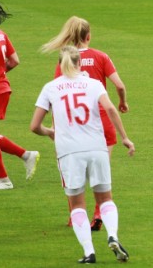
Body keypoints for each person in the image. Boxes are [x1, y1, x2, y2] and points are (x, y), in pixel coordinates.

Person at [30, 46, 134, 264]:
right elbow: (112, 110)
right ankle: (112, 235)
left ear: (60, 65)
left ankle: (89, 252)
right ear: (79, 63)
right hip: (97, 148)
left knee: (77, 204)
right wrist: (124, 137)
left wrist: (50, 132)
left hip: (69, 153)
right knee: (105, 198)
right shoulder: (94, 84)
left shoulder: (50, 88)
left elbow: (34, 126)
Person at [40, 16, 129, 230]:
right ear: (89, 36)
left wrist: (55, 127)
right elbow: (119, 85)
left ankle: (75, 216)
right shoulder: (101, 56)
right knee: (101, 174)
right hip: (103, 123)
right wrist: (122, 103)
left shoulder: (66, 60)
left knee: (73, 175)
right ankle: (99, 214)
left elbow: (56, 94)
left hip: (75, 126)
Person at [0, 2, 40, 191]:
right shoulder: (0, 33)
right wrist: (0, 74)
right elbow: (14, 60)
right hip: (2, 88)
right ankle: (26, 155)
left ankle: (4, 180)